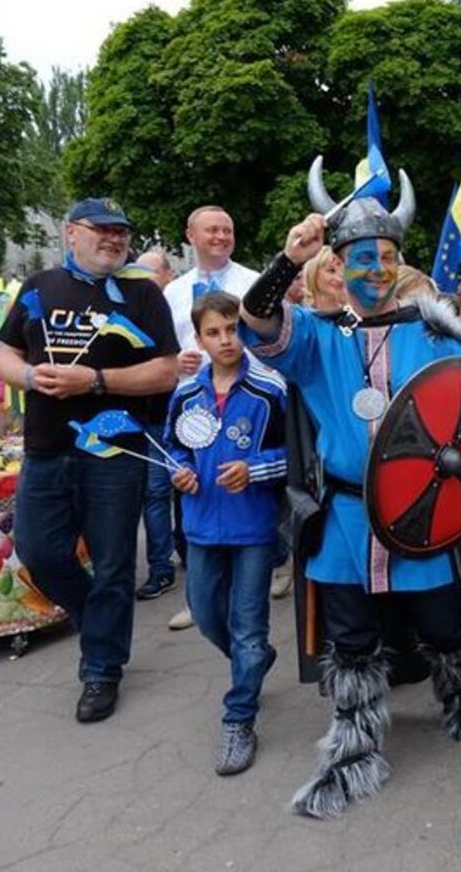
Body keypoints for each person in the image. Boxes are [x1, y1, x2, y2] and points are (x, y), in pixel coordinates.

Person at [239, 165, 461, 818]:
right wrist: (286, 259)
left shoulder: (433, 335)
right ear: (338, 265)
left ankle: (460, 695)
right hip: (347, 519)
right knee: (350, 639)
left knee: (441, 621)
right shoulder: (316, 337)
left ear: (400, 265)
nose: (374, 269)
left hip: (422, 515)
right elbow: (256, 319)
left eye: (385, 257)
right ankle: (353, 746)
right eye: (360, 258)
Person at [0, 198, 178, 722]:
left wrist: (94, 381)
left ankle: (101, 669)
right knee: (39, 551)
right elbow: (4, 353)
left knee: (115, 563)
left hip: (115, 453)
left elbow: (166, 372)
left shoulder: (143, 293)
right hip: (47, 450)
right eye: (103, 230)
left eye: (122, 231)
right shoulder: (38, 288)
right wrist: (28, 377)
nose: (115, 239)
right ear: (71, 233)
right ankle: (97, 619)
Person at [165, 291, 286, 775]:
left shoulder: (270, 391)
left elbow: (298, 458)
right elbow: (172, 450)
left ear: (247, 330)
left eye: (233, 329)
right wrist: (179, 472)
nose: (226, 339)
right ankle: (252, 660)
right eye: (214, 332)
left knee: (248, 627)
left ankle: (239, 719)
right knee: (209, 616)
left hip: (253, 528)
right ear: (199, 338)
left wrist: (254, 470)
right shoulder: (185, 394)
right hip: (199, 526)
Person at [163, 206, 262, 628]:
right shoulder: (173, 291)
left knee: (248, 483)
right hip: (194, 406)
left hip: (245, 400)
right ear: (191, 235)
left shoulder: (252, 283)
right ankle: (200, 594)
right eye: (212, 230)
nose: (221, 236)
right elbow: (164, 350)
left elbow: (268, 340)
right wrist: (177, 363)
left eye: (228, 229)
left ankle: (264, 565)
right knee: (194, 489)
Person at [131, 249, 180, 601]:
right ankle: (161, 568)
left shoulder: (177, 307)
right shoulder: (130, 309)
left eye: (150, 273)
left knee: (191, 484)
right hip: (146, 417)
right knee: (155, 493)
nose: (143, 280)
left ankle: (195, 553)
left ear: (167, 275)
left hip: (183, 412)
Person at [302, 245, 349, 311]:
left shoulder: (355, 315)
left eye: (342, 271)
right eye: (331, 271)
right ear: (313, 273)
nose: (339, 278)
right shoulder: (300, 317)